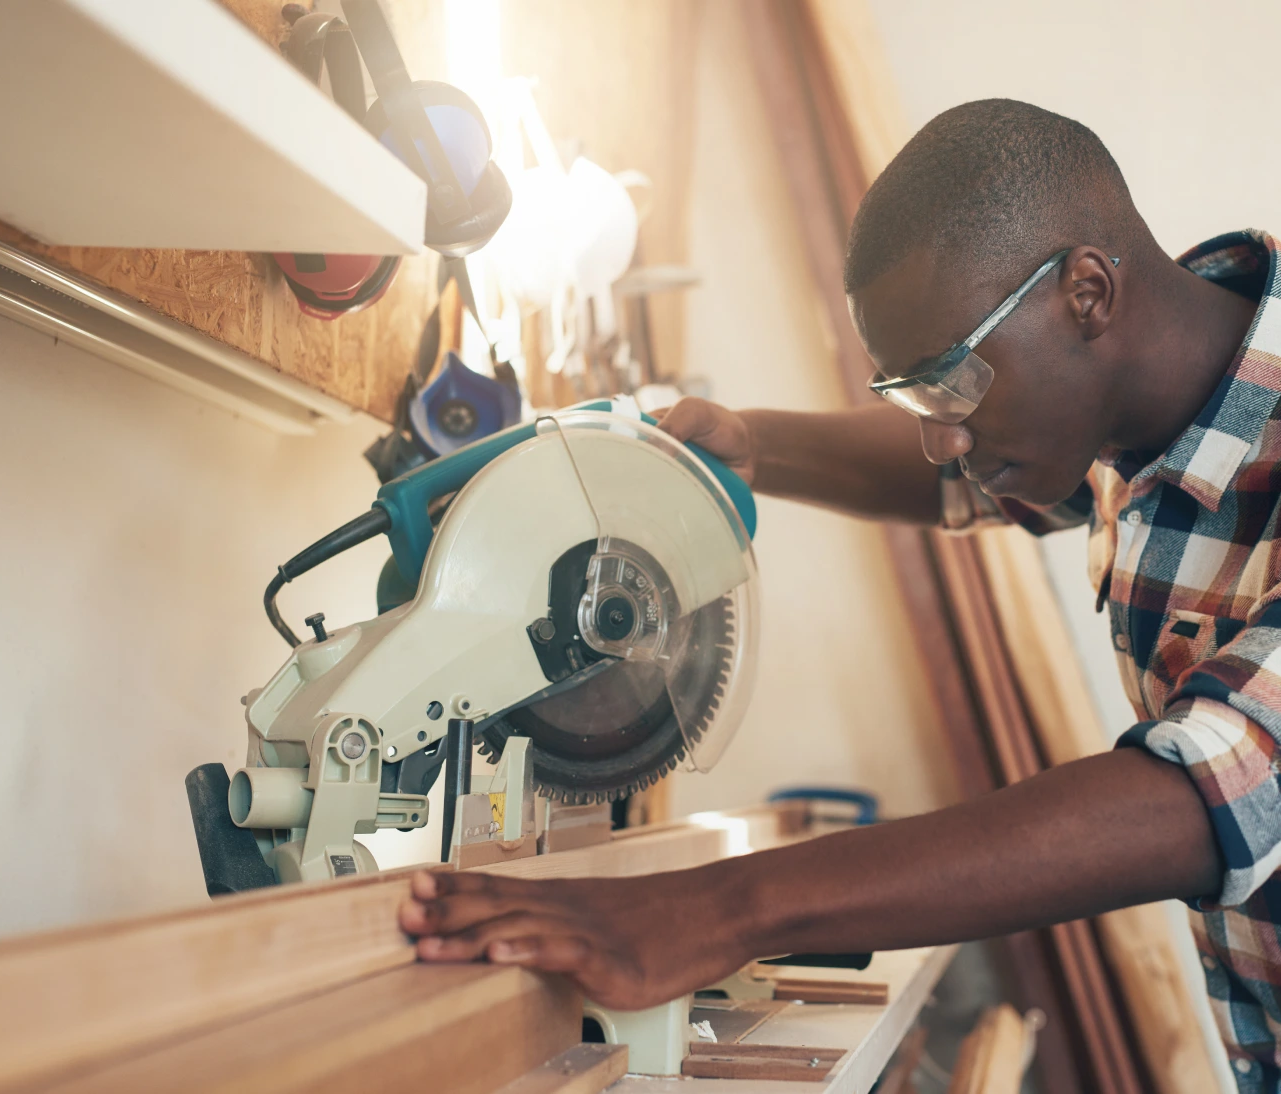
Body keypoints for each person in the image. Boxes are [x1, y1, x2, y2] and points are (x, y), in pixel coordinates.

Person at [400, 98, 1281, 1087]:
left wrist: (719, 909)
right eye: (914, 398)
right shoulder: (1145, 402)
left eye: (952, 384)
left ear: (1085, 293)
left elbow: (1208, 793)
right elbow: (969, 474)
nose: (941, 438)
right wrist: (754, 443)